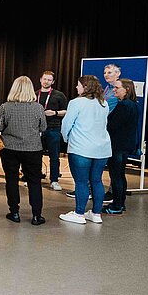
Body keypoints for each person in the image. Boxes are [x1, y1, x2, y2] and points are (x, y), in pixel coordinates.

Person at [0, 76, 48, 226]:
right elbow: (43, 127)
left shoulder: (5, 107)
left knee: (11, 180)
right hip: (33, 148)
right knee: (34, 181)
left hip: (10, 148)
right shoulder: (38, 107)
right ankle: (36, 215)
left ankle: (14, 212)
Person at [59, 75, 112, 225]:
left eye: (78, 85)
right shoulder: (104, 103)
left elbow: (66, 124)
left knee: (81, 182)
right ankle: (96, 213)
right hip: (102, 149)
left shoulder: (76, 102)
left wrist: (66, 139)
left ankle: (79, 214)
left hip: (81, 148)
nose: (77, 87)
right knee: (97, 180)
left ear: (85, 87)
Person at [103, 79, 140, 215]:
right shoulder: (133, 104)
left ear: (127, 89)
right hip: (125, 145)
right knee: (120, 175)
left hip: (118, 145)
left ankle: (117, 206)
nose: (114, 90)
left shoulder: (124, 105)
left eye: (117, 88)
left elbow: (113, 125)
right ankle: (120, 203)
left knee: (116, 176)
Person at [37, 71, 68, 192]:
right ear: (40, 79)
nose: (46, 82)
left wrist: (55, 113)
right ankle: (35, 177)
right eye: (44, 79)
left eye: (49, 80)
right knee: (35, 155)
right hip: (37, 129)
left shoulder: (59, 95)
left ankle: (54, 180)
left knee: (54, 156)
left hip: (53, 128)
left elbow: (66, 111)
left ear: (53, 82)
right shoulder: (35, 94)